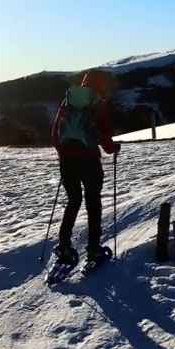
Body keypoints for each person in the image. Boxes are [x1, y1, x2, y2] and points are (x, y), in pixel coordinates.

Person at [50, 70, 121, 265]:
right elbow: (105, 136)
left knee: (73, 200)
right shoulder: (98, 104)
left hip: (67, 160)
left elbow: (55, 134)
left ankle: (64, 245)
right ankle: (94, 249)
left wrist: (63, 153)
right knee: (93, 202)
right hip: (89, 159)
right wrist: (112, 149)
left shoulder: (68, 102)